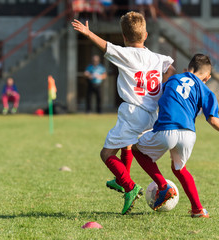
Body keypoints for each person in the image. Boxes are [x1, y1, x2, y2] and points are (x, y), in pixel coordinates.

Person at [71, 11, 175, 215]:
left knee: (106, 154)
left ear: (124, 37)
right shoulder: (156, 57)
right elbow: (171, 68)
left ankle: (129, 186)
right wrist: (162, 87)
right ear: (145, 35)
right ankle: (125, 180)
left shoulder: (126, 53)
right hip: (152, 114)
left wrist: (88, 33)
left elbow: (105, 45)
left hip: (133, 111)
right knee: (129, 144)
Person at [131, 54, 219, 218]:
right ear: (207, 77)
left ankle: (162, 186)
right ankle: (198, 209)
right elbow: (212, 119)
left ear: (186, 70)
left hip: (166, 129)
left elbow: (156, 96)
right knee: (179, 169)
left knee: (136, 150)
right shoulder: (205, 90)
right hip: (189, 133)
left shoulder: (173, 80)